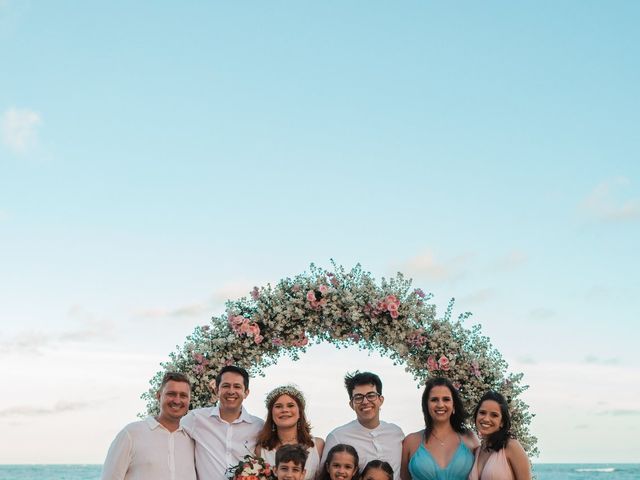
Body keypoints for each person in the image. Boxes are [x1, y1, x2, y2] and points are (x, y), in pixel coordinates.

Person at [101, 372, 196, 480]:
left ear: (189, 400)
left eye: (183, 395)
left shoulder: (191, 440)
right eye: (171, 394)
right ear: (159, 396)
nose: (177, 400)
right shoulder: (131, 434)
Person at [181, 365, 264, 479]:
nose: (231, 391)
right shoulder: (197, 418)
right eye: (226, 386)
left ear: (246, 393)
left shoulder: (258, 426)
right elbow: (169, 428)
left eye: (237, 386)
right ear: (216, 390)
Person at [322, 372, 404, 479]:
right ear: (352, 404)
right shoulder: (337, 437)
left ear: (381, 400)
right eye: (358, 397)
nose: (365, 401)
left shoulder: (396, 433)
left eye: (371, 395)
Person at [401, 377, 479, 480]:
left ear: (453, 405)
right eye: (434, 400)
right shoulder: (410, 442)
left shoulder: (470, 438)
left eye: (446, 399)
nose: (440, 404)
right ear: (426, 405)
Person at [256, 385, 324, 479]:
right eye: (278, 406)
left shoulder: (318, 446)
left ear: (300, 412)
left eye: (290, 405)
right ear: (271, 414)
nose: (285, 410)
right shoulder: (261, 450)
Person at [468, 391, 531, 480]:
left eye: (494, 415)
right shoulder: (476, 451)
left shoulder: (511, 446)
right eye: (482, 412)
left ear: (502, 422)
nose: (486, 419)